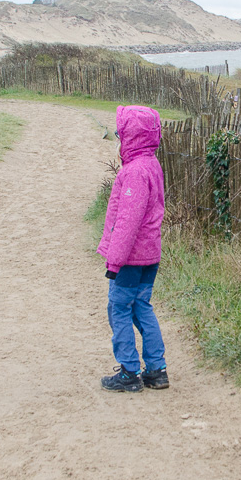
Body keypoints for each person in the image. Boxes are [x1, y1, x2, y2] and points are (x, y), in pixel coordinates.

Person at [96, 105, 169, 393]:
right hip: (149, 254)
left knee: (119, 308)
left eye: (120, 133)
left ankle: (129, 371)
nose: (117, 138)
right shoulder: (151, 164)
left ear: (131, 136)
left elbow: (127, 221)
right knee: (142, 307)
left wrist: (114, 262)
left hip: (131, 258)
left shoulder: (136, 172)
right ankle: (156, 370)